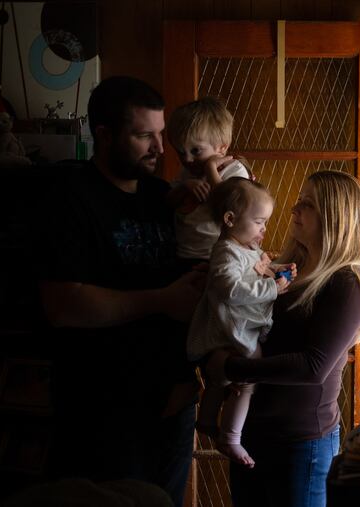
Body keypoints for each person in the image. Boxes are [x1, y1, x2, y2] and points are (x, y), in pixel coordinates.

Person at [38, 75, 205, 507]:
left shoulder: (161, 195)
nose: (158, 148)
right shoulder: (70, 198)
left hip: (171, 403)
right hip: (103, 410)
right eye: (143, 135)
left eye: (161, 135)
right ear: (105, 135)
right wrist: (162, 300)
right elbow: (63, 304)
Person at [206, 170, 360, 507]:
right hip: (255, 432)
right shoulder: (289, 268)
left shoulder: (347, 284)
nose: (293, 209)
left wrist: (231, 367)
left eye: (307, 204)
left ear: (335, 218)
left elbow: (312, 367)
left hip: (300, 443)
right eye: (300, 200)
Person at [187, 177, 295, 467]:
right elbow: (231, 290)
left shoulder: (247, 248)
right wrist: (273, 289)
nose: (264, 229)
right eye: (259, 222)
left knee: (219, 379)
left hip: (241, 326)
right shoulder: (225, 252)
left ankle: (208, 419)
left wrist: (278, 271)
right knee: (249, 374)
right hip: (230, 328)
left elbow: (260, 269)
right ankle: (230, 438)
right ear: (230, 219)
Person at [166, 96, 252, 265]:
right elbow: (168, 203)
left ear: (222, 147)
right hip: (184, 254)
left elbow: (230, 207)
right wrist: (185, 186)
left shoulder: (235, 170)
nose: (187, 159)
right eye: (181, 152)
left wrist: (211, 170)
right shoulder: (187, 172)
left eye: (196, 150)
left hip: (221, 256)